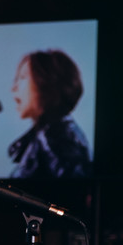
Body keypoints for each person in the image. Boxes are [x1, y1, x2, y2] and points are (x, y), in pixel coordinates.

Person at [8, 49, 91, 179]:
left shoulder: (56, 138)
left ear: (46, 82)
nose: (13, 88)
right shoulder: (50, 134)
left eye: (23, 77)